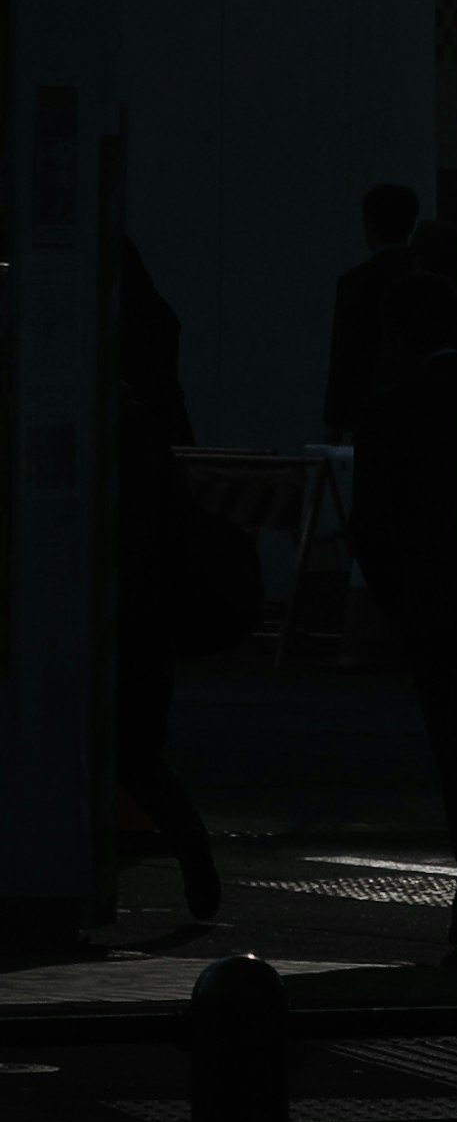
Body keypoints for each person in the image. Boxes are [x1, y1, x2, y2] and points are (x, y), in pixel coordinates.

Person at [105, 240, 231, 924]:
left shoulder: (105, 418)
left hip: (120, 601)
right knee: (139, 751)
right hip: (147, 606)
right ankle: (192, 858)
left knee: (122, 747)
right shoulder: (143, 417)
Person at [344, 214, 457, 844]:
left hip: (431, 606)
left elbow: (371, 527)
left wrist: (403, 605)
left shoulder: (387, 412)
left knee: (454, 754)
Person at [321, 182, 427, 443]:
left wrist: (334, 419)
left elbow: (345, 355)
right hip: (423, 407)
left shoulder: (356, 283)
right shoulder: (426, 279)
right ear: (412, 224)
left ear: (369, 225)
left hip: (370, 410)